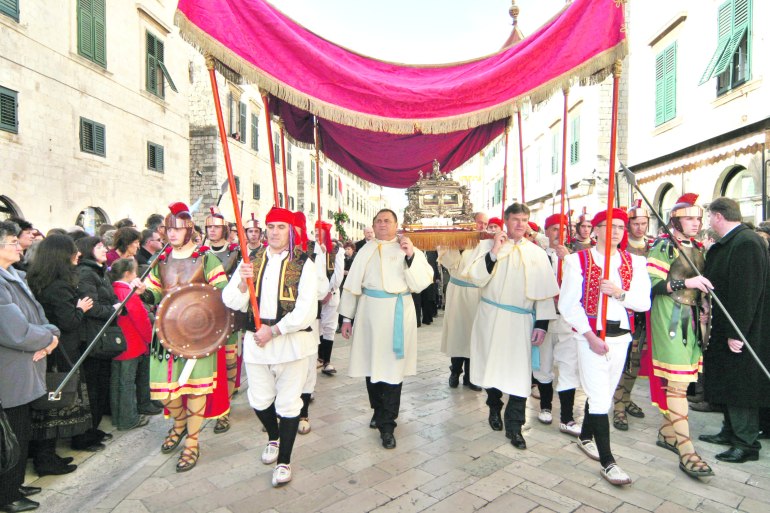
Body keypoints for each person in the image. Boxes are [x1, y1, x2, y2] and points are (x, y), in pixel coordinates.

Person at [222, 207, 319, 487]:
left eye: (281, 227)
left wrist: (275, 330)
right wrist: (242, 282)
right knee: (260, 400)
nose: (274, 232)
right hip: (256, 343)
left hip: (289, 342)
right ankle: (273, 437)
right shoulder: (252, 258)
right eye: (271, 227)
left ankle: (284, 461)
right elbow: (231, 301)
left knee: (289, 404)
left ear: (291, 232)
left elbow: (306, 310)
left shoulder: (304, 263)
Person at [559, 208, 651, 485]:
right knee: (600, 399)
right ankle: (609, 462)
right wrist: (589, 336)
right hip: (591, 338)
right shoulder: (578, 260)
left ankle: (586, 436)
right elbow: (567, 304)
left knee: (604, 394)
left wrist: (619, 293)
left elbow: (643, 303)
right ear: (595, 229)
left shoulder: (634, 263)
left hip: (621, 337)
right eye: (609, 226)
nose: (616, 231)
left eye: (621, 227)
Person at [141, 202, 229, 473]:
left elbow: (222, 292)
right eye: (169, 229)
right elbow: (155, 292)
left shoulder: (205, 258)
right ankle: (179, 424)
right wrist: (143, 292)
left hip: (197, 335)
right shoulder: (161, 260)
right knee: (164, 390)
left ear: (189, 230)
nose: (172, 233)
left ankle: (192, 441)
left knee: (195, 388)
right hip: (165, 333)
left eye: (177, 229)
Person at [463, 203, 558, 450]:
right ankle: (494, 407)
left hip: (521, 321)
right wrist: (494, 251)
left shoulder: (536, 253)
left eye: (524, 219)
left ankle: (515, 426)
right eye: (516, 219)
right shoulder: (487, 246)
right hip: (491, 316)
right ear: (506, 221)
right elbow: (474, 277)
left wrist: (542, 323)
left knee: (519, 374)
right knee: (492, 368)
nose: (520, 224)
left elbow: (545, 293)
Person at [340, 209, 433, 449]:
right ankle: (378, 410)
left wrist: (410, 254)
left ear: (396, 225)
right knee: (372, 365)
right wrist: (347, 318)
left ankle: (388, 423)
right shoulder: (365, 250)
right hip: (369, 314)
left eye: (387, 221)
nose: (382, 224)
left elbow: (421, 282)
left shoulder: (407, 248)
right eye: (378, 221)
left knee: (392, 369)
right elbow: (352, 286)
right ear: (373, 225)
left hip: (397, 314)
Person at [643, 193, 713, 477]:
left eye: (698, 218)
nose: (696, 223)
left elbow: (701, 286)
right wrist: (687, 281)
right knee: (677, 383)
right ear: (675, 220)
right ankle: (687, 451)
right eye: (690, 218)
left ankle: (668, 433)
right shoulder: (663, 246)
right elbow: (653, 283)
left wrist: (704, 303)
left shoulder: (695, 246)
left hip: (692, 317)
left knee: (682, 382)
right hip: (669, 316)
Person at [700, 197, 770, 463]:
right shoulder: (732, 243)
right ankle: (730, 431)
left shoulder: (746, 243)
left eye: (709, 217)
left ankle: (746, 443)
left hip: (743, 331)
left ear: (718, 216)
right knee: (727, 381)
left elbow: (746, 293)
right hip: (726, 325)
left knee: (742, 386)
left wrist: (736, 332)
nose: (708, 222)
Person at [0, 220, 60, 513]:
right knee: (11, 434)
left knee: (20, 430)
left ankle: (15, 484)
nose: (18, 246)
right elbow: (17, 331)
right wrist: (49, 337)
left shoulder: (13, 275)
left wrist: (51, 335)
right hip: (9, 373)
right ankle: (7, 495)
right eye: (12, 242)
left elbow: (37, 316)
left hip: (23, 369)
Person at [27, 234, 96, 474]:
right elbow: (68, 322)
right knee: (53, 405)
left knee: (47, 405)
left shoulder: (38, 280)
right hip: (60, 352)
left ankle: (47, 456)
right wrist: (80, 309)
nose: (77, 254)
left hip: (51, 349)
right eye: (73, 251)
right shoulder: (59, 286)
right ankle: (45, 460)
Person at [534, 213, 582, 437]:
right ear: (546, 232)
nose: (558, 234)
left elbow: (582, 283)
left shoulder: (576, 257)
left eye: (562, 229)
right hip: (545, 317)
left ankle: (567, 417)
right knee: (543, 366)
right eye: (554, 229)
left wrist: (569, 260)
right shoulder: (538, 256)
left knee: (567, 366)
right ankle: (545, 406)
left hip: (567, 321)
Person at [74, 236, 122, 450]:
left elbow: (109, 298)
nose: (105, 249)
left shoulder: (100, 271)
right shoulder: (86, 273)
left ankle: (93, 429)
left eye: (104, 246)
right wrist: (113, 310)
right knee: (92, 387)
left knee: (101, 384)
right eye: (99, 246)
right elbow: (91, 306)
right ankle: (84, 435)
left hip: (102, 333)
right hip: (91, 336)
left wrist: (118, 306)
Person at [612, 199, 652, 432]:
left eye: (643, 223)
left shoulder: (655, 246)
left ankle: (626, 398)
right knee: (623, 360)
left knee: (635, 361)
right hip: (623, 310)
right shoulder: (622, 250)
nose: (639, 227)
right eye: (635, 223)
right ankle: (618, 405)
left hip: (644, 312)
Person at [203, 207, 243, 435]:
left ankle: (224, 409)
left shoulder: (237, 254)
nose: (212, 230)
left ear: (225, 229)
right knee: (208, 366)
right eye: (209, 226)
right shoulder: (199, 254)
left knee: (228, 364)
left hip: (228, 315)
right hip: (205, 317)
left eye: (216, 226)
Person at [108, 259, 152, 431]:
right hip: (132, 343)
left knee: (117, 382)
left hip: (118, 343)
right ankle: (128, 418)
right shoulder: (127, 291)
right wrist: (149, 339)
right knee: (127, 383)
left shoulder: (113, 288)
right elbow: (141, 319)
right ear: (127, 274)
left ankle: (119, 417)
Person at [437, 239, 482, 392]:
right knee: (457, 334)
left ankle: (471, 377)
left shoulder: (485, 244)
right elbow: (449, 263)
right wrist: (457, 247)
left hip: (477, 294)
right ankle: (455, 372)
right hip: (457, 292)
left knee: (473, 335)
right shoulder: (450, 243)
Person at [313, 220, 345, 375]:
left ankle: (326, 361)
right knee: (315, 327)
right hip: (314, 295)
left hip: (331, 294)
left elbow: (338, 272)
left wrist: (329, 291)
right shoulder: (311, 247)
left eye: (321, 231)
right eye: (315, 231)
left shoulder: (336, 248)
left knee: (329, 327)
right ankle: (318, 359)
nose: (318, 234)